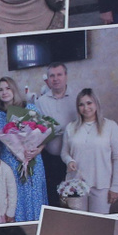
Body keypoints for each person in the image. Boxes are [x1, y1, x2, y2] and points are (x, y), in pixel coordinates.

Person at [0, 78, 50, 223]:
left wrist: (38, 150)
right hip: (9, 165)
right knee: (13, 201)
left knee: (33, 198)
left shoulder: (30, 109)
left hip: (32, 162)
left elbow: (46, 134)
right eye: (0, 90)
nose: (4, 92)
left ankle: (35, 230)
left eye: (8, 88)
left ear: (14, 90)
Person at [61, 89, 118, 213]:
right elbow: (64, 152)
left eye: (89, 103)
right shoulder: (71, 127)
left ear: (96, 103)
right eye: (81, 104)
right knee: (77, 221)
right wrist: (69, 160)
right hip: (75, 184)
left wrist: (115, 187)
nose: (86, 108)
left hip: (101, 185)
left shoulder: (111, 126)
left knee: (98, 221)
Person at [29, 62, 76, 206]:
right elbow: (36, 130)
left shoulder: (77, 98)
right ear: (48, 79)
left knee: (74, 199)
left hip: (74, 159)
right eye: (52, 76)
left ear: (66, 76)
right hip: (51, 159)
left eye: (59, 75)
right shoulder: (41, 102)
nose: (55, 79)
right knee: (53, 199)